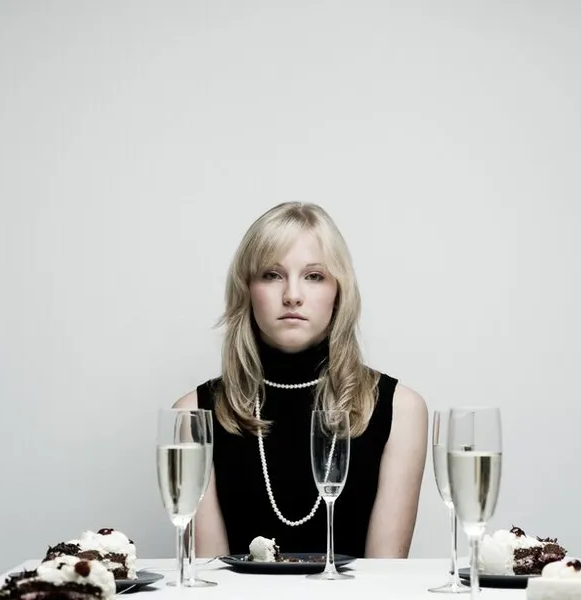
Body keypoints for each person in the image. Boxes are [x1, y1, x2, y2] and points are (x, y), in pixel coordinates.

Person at [173, 201, 428, 559]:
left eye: (314, 276)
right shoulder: (192, 415)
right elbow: (210, 576)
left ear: (338, 292)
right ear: (246, 289)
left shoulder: (401, 410)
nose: (292, 295)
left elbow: (384, 576)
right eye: (271, 275)